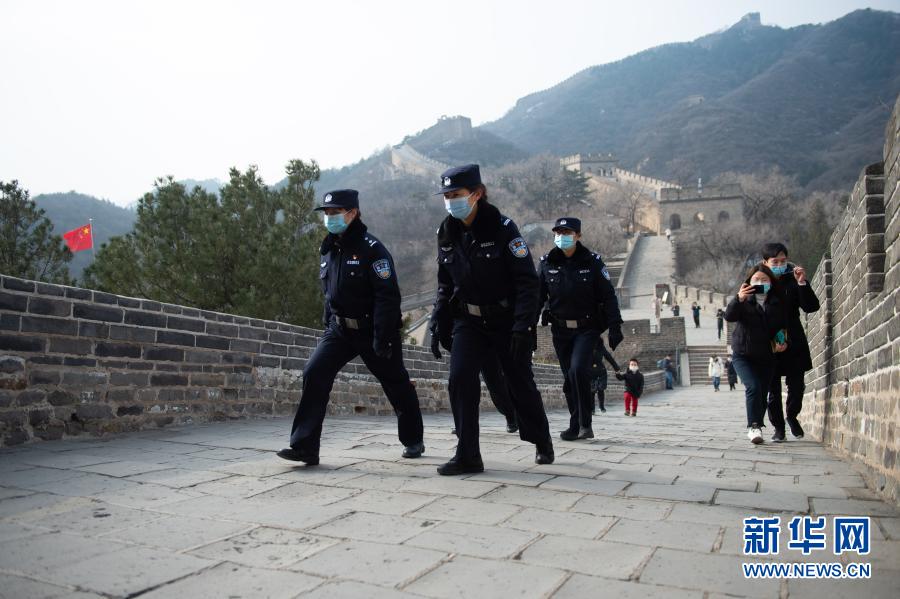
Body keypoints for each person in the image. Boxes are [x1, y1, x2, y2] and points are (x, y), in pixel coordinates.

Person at [278, 189, 424, 465]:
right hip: (340, 330)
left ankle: (413, 439)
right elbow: (329, 293)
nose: (330, 218)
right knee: (314, 372)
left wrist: (383, 337)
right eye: (327, 213)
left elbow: (387, 296)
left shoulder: (373, 250)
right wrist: (327, 327)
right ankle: (305, 447)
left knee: (396, 383)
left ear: (353, 213)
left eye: (335, 213)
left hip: (374, 329)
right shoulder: (328, 250)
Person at [429, 164, 554, 475]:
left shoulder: (503, 229)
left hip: (506, 320)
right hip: (468, 321)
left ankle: (541, 440)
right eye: (446, 195)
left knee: (519, 383)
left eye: (455, 195)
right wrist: (437, 322)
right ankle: (468, 454)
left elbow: (528, 282)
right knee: (460, 379)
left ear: (477, 194)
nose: (450, 201)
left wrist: (524, 326)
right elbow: (445, 283)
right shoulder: (446, 232)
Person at [538, 217, 624, 440]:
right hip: (560, 330)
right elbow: (537, 297)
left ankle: (585, 422)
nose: (562, 236)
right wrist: (527, 326)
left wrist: (615, 326)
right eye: (558, 232)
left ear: (578, 236)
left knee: (578, 371)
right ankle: (575, 424)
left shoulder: (592, 262)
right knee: (569, 378)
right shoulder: (547, 262)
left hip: (587, 328)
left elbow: (608, 296)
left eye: (567, 232)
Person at [761, 243, 820, 442]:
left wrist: (802, 283)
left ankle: (792, 416)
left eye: (783, 261)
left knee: (797, 385)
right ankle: (778, 428)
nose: (779, 264)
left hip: (793, 338)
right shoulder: (759, 281)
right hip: (769, 340)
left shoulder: (793, 280)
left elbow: (811, 307)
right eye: (775, 261)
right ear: (765, 263)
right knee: (773, 390)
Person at [724, 264, 788, 445]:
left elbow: (781, 327)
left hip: (767, 355)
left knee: (762, 393)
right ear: (749, 282)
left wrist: (781, 342)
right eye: (756, 280)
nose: (760, 283)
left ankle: (758, 424)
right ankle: (753, 427)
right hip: (743, 354)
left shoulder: (777, 302)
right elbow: (729, 316)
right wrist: (738, 298)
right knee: (752, 386)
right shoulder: (744, 300)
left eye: (764, 280)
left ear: (771, 282)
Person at [590, 338, 619, 414]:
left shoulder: (601, 347)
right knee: (591, 391)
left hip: (601, 371)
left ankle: (601, 406)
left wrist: (616, 368)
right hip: (590, 372)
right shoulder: (586, 345)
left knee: (601, 389)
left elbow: (609, 357)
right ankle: (592, 409)